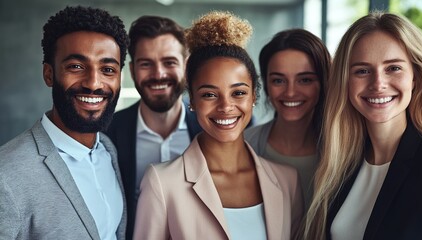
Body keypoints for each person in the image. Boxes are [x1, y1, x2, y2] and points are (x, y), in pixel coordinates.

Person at [133, 11, 303, 240]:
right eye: (210, 94)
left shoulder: (287, 180)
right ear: (192, 100)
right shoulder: (162, 182)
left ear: (254, 96)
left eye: (239, 93)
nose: (226, 106)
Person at [0, 6, 129, 239]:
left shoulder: (108, 150)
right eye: (76, 67)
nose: (94, 83)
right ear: (49, 74)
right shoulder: (6, 175)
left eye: (108, 69)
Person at [304, 12, 422, 240]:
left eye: (393, 68)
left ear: (415, 77)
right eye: (362, 71)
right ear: (345, 81)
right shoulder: (340, 163)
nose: (378, 84)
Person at [105, 16, 202, 239]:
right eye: (146, 64)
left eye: (169, 62)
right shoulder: (107, 134)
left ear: (186, 67)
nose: (158, 74)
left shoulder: (210, 128)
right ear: (131, 70)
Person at [244, 29, 330, 210]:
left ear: (323, 83)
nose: (290, 92)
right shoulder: (244, 145)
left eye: (305, 80)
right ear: (265, 84)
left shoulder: (344, 151)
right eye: (278, 81)